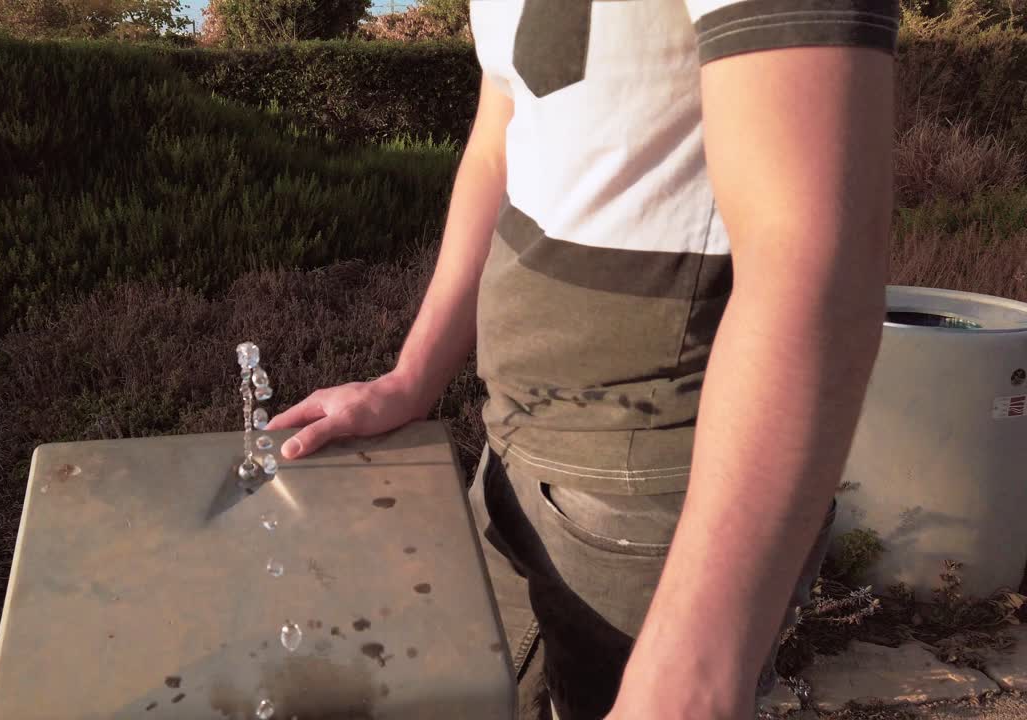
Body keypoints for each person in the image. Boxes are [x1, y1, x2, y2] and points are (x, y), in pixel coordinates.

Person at [267, 0, 900, 715]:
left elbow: (818, 263)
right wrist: (411, 378)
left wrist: (698, 669)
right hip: (513, 446)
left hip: (656, 484)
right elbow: (500, 140)